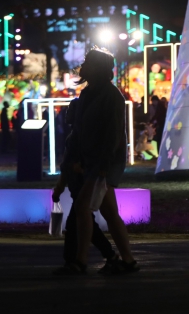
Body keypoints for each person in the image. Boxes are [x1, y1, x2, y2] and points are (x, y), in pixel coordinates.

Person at [53, 48, 137, 276]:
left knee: (82, 207)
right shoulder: (87, 94)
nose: (83, 66)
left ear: (98, 68)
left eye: (88, 62)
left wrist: (103, 166)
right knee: (109, 213)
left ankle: (80, 262)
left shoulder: (111, 96)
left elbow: (113, 134)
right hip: (91, 162)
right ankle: (128, 261)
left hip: (102, 164)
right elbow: (79, 133)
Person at [51, 99, 117, 274]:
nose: (67, 113)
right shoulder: (77, 136)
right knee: (85, 225)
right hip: (79, 187)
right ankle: (109, 256)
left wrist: (60, 186)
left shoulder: (78, 138)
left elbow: (70, 166)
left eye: (71, 110)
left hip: (82, 187)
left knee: (77, 225)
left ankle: (75, 262)